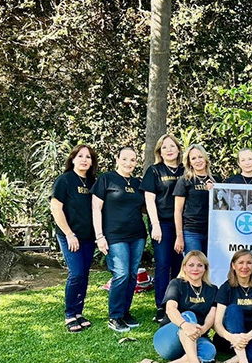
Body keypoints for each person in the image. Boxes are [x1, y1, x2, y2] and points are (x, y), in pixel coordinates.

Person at [130, 251, 218, 363]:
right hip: (168, 339)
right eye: (191, 265)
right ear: (184, 267)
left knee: (209, 352)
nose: (195, 269)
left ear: (205, 268)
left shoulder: (212, 289)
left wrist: (202, 330)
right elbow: (170, 309)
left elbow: (211, 317)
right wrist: (185, 324)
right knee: (189, 315)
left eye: (200, 265)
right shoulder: (176, 284)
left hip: (196, 336)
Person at [92, 147, 147, 333]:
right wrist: (99, 236)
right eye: (124, 159)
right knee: (121, 274)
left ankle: (125, 312)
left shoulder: (138, 183)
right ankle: (114, 316)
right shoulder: (106, 179)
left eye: (132, 160)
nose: (128, 163)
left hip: (137, 235)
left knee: (132, 275)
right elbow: (96, 209)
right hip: (115, 235)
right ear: (117, 159)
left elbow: (147, 207)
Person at [50, 144, 99, 332]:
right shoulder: (65, 180)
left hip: (88, 237)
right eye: (80, 156)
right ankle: (70, 314)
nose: (84, 159)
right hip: (69, 235)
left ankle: (79, 312)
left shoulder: (93, 182)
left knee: (84, 275)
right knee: (76, 273)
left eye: (88, 157)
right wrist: (69, 234)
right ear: (72, 159)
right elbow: (56, 209)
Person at [141, 134, 185, 323]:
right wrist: (156, 225)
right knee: (163, 264)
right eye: (164, 147)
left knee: (179, 265)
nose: (169, 150)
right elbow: (149, 200)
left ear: (178, 149)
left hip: (184, 225)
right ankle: (162, 306)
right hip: (163, 224)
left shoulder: (186, 170)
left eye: (172, 146)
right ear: (159, 151)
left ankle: (176, 304)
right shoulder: (154, 171)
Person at [174, 144, 220, 255]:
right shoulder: (184, 180)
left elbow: (223, 206)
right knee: (194, 266)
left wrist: (214, 191)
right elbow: (178, 211)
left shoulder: (216, 181)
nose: (197, 161)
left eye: (200, 157)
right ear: (189, 162)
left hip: (213, 232)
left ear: (205, 158)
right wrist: (179, 236)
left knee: (211, 267)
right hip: (192, 231)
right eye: (193, 158)